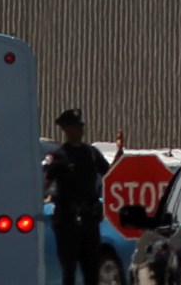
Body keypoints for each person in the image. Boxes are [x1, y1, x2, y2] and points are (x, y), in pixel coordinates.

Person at [44, 108, 122, 285]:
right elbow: (45, 181)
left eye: (81, 126)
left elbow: (110, 175)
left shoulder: (91, 153)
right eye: (75, 127)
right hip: (67, 222)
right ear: (66, 129)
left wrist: (119, 159)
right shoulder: (59, 156)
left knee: (91, 270)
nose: (80, 130)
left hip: (89, 221)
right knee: (69, 271)